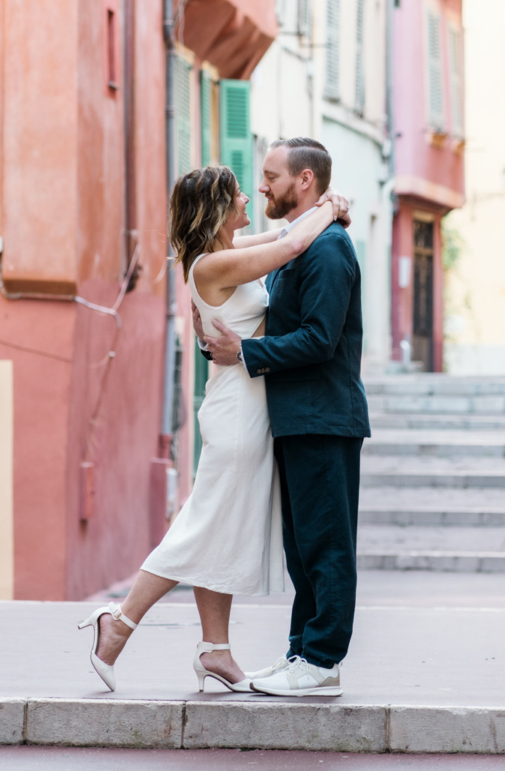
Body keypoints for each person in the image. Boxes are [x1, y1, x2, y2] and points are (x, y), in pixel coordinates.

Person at [77, 162, 349, 693]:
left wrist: (320, 212)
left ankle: (215, 650)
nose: (251, 196)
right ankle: (119, 624)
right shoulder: (210, 266)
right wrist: (332, 209)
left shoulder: (226, 258)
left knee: (217, 526)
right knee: (202, 527)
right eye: (239, 193)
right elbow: (292, 247)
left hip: (243, 406)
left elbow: (288, 234)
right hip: (239, 417)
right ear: (219, 208)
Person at [200, 137, 370, 698]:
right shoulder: (301, 245)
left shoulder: (328, 251)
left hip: (324, 417)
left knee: (326, 546)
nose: (262, 185)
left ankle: (322, 662)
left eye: (271, 175)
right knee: (304, 549)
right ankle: (302, 650)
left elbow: (320, 340)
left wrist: (244, 354)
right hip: (297, 418)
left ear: (304, 181)